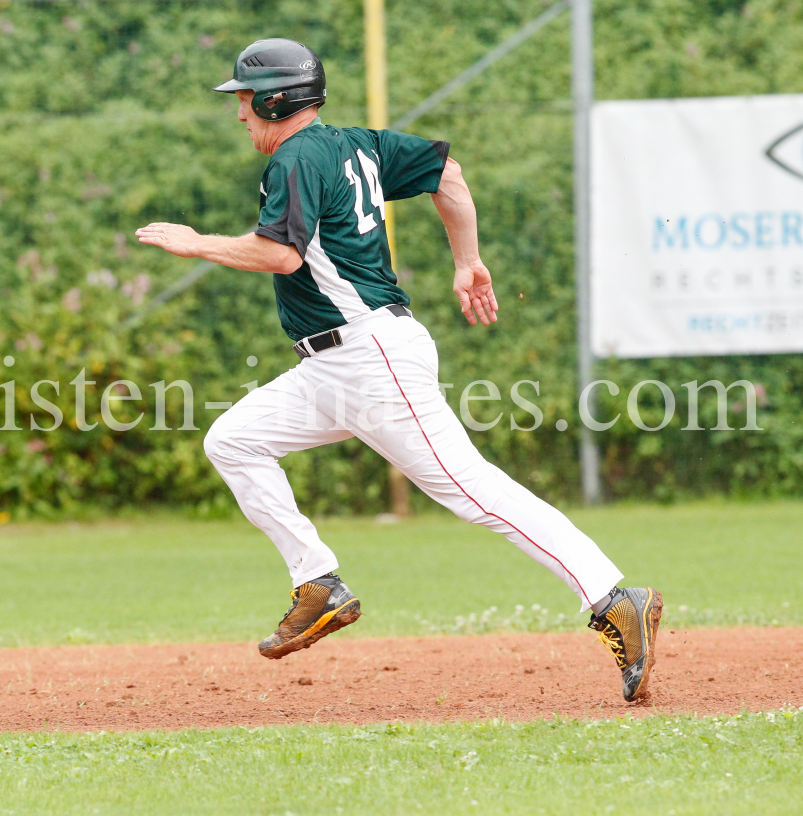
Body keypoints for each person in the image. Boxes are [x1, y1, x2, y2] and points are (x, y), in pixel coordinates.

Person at [136, 39, 662, 701]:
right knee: (233, 440)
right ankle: (319, 584)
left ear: (275, 98)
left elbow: (281, 256)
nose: (239, 111)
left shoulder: (296, 158)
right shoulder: (356, 145)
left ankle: (612, 597)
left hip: (368, 357)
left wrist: (196, 243)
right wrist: (466, 259)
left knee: (472, 491)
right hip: (332, 367)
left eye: (244, 97)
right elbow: (451, 176)